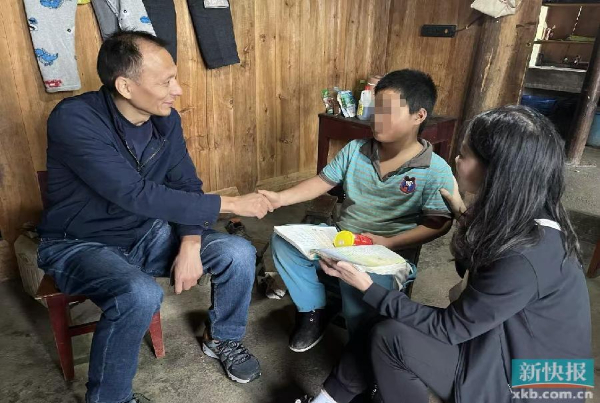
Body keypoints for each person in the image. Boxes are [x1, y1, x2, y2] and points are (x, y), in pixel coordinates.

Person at [37, 31, 272, 403]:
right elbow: (133, 193)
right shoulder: (74, 118)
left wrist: (191, 243)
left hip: (145, 234)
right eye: (166, 82)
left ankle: (222, 338)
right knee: (139, 293)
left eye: (174, 78)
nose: (177, 90)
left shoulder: (166, 121)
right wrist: (230, 204)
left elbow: (185, 185)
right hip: (79, 243)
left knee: (237, 252)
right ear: (125, 86)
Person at [301, 105, 592, 403]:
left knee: (390, 336)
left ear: (496, 170)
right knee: (384, 321)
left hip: (536, 387)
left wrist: (367, 286)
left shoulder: (525, 254)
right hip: (509, 347)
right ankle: (328, 399)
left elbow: (450, 328)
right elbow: (477, 276)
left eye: (464, 154)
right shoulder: (524, 214)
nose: (456, 159)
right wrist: (465, 220)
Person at [260, 69, 455, 352]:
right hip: (342, 239)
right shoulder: (355, 150)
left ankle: (363, 345)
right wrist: (279, 198)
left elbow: (439, 224)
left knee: (362, 307)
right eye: (376, 109)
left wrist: (389, 242)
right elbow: (322, 182)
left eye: (388, 112)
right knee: (283, 242)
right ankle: (314, 309)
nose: (377, 118)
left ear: (419, 116)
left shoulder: (435, 169)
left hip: (386, 255)